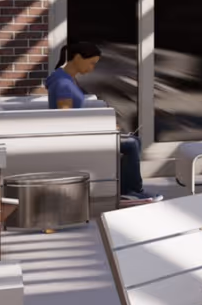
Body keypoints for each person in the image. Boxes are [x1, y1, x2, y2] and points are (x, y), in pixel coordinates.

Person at [47, 41, 159, 204]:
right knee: (131, 144)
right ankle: (130, 191)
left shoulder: (64, 77)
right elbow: (66, 120)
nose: (92, 68)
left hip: (79, 133)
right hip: (73, 138)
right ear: (77, 58)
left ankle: (131, 189)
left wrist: (104, 125)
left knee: (132, 140)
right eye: (91, 63)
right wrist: (100, 128)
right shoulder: (63, 83)